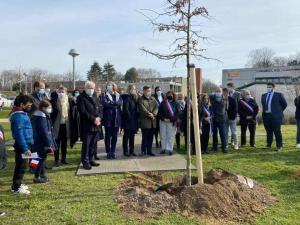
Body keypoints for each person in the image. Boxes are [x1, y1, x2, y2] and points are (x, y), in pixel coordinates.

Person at [10, 95, 33, 194]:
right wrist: (25, 149)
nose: (30, 107)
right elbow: (19, 134)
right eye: (28, 105)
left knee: (22, 165)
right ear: (21, 104)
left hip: (26, 143)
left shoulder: (22, 114)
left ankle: (18, 183)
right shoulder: (18, 116)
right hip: (22, 145)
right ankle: (16, 187)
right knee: (21, 166)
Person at [77, 81, 101, 170]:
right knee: (86, 145)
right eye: (89, 88)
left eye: (92, 88)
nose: (91, 90)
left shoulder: (95, 97)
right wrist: (93, 119)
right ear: (85, 88)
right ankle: (85, 161)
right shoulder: (81, 98)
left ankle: (91, 159)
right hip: (87, 125)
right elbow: (83, 112)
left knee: (93, 144)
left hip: (96, 125)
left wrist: (99, 118)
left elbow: (100, 109)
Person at [31, 101, 57, 183]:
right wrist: (49, 144)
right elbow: (44, 132)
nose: (50, 109)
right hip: (41, 142)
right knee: (41, 159)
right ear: (43, 108)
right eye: (49, 108)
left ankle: (41, 174)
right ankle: (37, 176)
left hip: (37, 141)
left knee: (37, 158)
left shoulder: (38, 115)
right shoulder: (41, 117)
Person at [261, 82, 287, 151]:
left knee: (277, 131)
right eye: (267, 87)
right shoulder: (263, 95)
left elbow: (284, 105)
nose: (268, 88)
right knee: (268, 131)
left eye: (270, 87)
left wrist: (278, 112)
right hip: (266, 116)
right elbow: (263, 105)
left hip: (276, 116)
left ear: (273, 88)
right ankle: (268, 145)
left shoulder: (279, 95)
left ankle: (279, 146)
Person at [102, 82, 123, 159]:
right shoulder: (104, 94)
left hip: (116, 119)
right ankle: (108, 152)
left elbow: (120, 103)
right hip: (108, 119)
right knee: (107, 136)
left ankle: (113, 151)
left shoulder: (118, 95)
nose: (109, 86)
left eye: (110, 85)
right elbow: (105, 103)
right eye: (108, 85)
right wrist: (115, 105)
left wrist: (112, 102)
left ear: (114, 86)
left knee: (114, 136)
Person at [50, 85, 70, 166]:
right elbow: (52, 113)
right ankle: (56, 160)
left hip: (65, 124)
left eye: (63, 92)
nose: (61, 93)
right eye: (60, 92)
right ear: (57, 92)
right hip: (57, 125)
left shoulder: (68, 100)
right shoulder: (54, 100)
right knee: (57, 143)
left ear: (66, 93)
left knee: (64, 143)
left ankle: (63, 159)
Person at [138, 86, 158, 156]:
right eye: (147, 91)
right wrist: (149, 114)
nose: (148, 92)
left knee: (151, 138)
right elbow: (142, 108)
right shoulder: (140, 99)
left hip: (152, 122)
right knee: (145, 138)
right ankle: (143, 151)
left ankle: (149, 151)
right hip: (145, 122)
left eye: (149, 91)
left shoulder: (153, 99)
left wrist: (153, 114)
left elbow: (156, 107)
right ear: (143, 91)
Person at [158, 91, 179, 155]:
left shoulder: (176, 103)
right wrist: (163, 119)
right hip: (163, 121)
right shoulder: (163, 103)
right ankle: (163, 149)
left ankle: (170, 149)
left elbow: (177, 114)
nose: (170, 95)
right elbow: (159, 113)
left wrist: (170, 120)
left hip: (171, 122)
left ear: (173, 95)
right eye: (168, 94)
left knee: (171, 136)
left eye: (171, 94)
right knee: (163, 135)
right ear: (166, 95)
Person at [121, 85, 138, 157]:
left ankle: (132, 151)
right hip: (128, 120)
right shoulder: (126, 98)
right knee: (126, 137)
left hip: (133, 120)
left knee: (132, 137)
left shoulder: (134, 98)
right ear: (129, 90)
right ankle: (126, 151)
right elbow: (126, 109)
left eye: (135, 89)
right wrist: (130, 118)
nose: (134, 90)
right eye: (133, 89)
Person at [210, 88, 227, 153]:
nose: (218, 93)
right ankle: (215, 147)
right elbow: (210, 96)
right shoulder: (213, 98)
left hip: (221, 119)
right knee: (214, 134)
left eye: (219, 91)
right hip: (214, 119)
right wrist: (213, 94)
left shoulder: (224, 99)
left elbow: (220, 106)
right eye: (216, 91)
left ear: (221, 92)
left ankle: (224, 147)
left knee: (222, 134)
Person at [93, 87, 104, 160]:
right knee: (92, 140)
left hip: (99, 122)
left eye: (99, 90)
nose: (98, 91)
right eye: (97, 90)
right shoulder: (92, 98)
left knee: (96, 140)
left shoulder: (101, 99)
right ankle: (91, 154)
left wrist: (100, 118)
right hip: (93, 121)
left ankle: (95, 154)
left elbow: (101, 111)